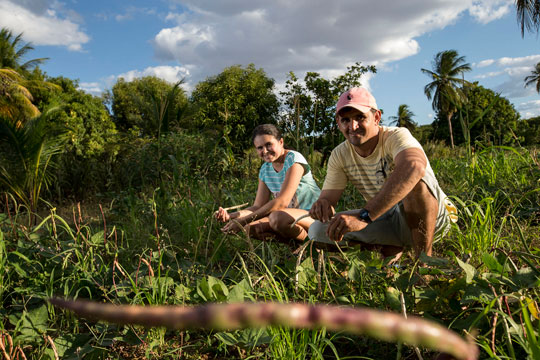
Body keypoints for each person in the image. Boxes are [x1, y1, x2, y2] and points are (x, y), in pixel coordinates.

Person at [308, 87, 456, 259]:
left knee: (415, 182)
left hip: (435, 220)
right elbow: (328, 199)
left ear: (376, 117)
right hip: (386, 218)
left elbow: (414, 165)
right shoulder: (339, 154)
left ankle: (424, 261)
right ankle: (389, 248)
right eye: (345, 120)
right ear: (338, 122)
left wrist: (364, 217)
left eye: (360, 117)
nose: (352, 126)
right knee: (318, 230)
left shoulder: (396, 136)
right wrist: (322, 205)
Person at [215, 124, 321, 242]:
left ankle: (313, 246)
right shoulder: (265, 170)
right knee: (249, 228)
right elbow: (258, 206)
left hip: (313, 215)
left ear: (281, 142)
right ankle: (295, 247)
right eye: (260, 148)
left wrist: (243, 220)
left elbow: (281, 202)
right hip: (289, 217)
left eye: (268, 144)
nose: (265, 151)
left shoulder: (294, 159)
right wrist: (233, 216)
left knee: (277, 218)